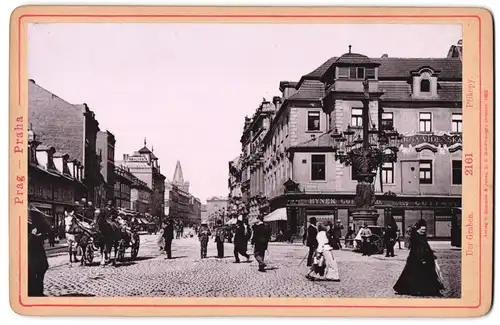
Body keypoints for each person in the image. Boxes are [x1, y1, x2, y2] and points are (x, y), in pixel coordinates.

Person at [394, 219, 445, 296]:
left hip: (424, 257)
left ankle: (428, 289)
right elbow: (417, 249)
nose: (423, 231)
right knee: (414, 274)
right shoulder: (416, 237)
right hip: (416, 258)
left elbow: (425, 246)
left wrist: (431, 253)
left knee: (426, 274)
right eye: (422, 229)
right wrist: (422, 259)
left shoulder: (422, 236)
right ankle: (414, 289)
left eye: (424, 230)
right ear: (418, 229)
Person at [28, 209, 50, 296]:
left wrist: (41, 235)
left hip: (37, 248)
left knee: (42, 267)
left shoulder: (35, 215)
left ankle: (39, 291)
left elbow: (46, 229)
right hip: (27, 250)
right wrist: (32, 235)